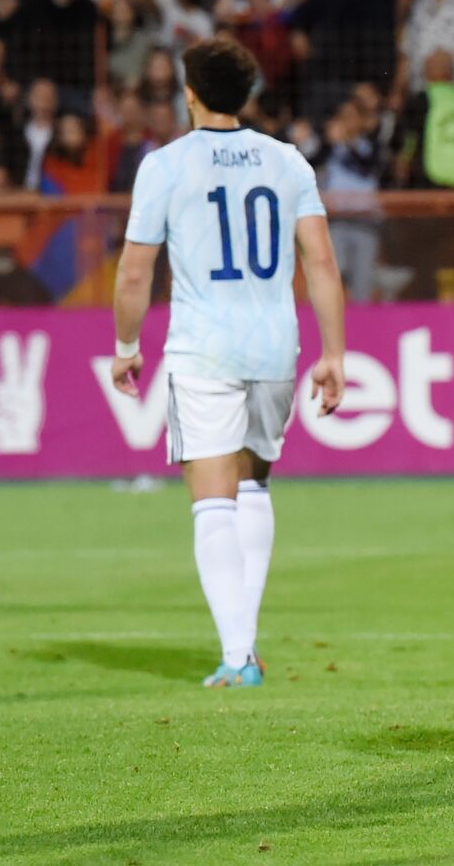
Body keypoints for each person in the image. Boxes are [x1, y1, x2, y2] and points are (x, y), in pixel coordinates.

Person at [110, 37, 346, 689]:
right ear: (247, 95)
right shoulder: (287, 160)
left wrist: (126, 348)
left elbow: (135, 272)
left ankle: (238, 655)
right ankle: (244, 644)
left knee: (213, 501)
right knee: (252, 488)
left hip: (204, 349)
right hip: (275, 343)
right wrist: (334, 354)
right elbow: (320, 263)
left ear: (189, 92)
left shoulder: (165, 166)